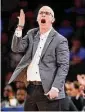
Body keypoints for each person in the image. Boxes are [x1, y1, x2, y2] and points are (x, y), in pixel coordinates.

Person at [8, 6, 69, 111]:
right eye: (41, 13)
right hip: (31, 87)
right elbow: (16, 48)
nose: (43, 14)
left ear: (53, 20)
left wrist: (55, 88)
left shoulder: (60, 40)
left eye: (47, 13)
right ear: (37, 18)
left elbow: (63, 66)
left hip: (48, 89)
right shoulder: (31, 34)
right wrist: (20, 27)